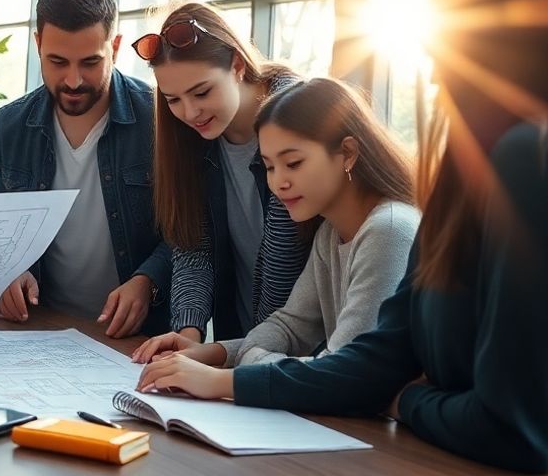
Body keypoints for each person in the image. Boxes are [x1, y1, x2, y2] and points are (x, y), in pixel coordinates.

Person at [138, 0, 548, 475]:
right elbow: (384, 355)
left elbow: (514, 430)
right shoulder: (483, 170)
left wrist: (405, 400)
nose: (432, 58)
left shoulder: (541, 162)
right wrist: (229, 379)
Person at [132, 77, 418, 370]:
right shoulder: (330, 234)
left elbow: (345, 370)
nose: (278, 182)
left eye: (293, 163)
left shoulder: (388, 229)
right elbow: (289, 327)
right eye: (269, 167)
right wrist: (209, 353)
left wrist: (221, 380)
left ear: (347, 153)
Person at [0, 0, 172, 337]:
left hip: (137, 339)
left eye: (90, 62)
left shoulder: (159, 120)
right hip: (40, 329)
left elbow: (190, 232)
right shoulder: (10, 126)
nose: (73, 81)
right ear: (38, 44)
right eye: (57, 61)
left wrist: (149, 280)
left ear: (115, 47)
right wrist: (8, 271)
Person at [135, 3, 311, 348]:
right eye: (173, 100)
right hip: (241, 348)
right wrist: (188, 337)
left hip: (305, 355)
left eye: (202, 92)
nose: (189, 112)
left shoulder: (299, 115)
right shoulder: (190, 139)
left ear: (237, 65)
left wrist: (241, 358)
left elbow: (286, 260)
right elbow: (192, 247)